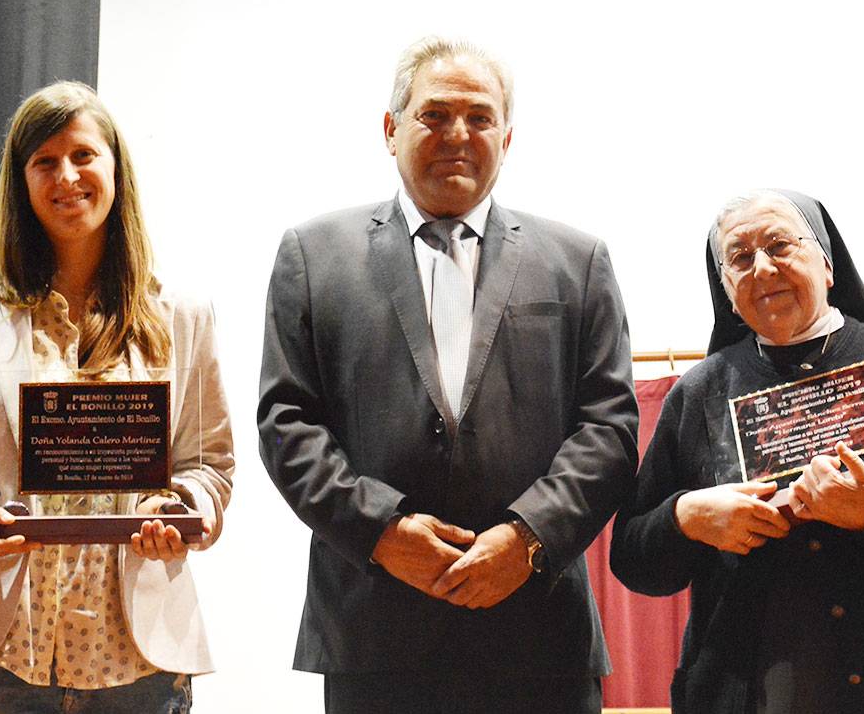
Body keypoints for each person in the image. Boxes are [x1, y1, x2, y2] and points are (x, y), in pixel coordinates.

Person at [256, 36, 639, 713]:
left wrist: (525, 540)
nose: (457, 135)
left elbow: (608, 428)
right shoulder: (313, 257)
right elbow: (287, 424)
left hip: (539, 632)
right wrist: (381, 532)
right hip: (375, 631)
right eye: (434, 115)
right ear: (390, 128)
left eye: (480, 117)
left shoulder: (577, 261)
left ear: (508, 136)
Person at [0, 81, 234, 713]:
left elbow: (209, 464)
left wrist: (182, 507)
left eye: (84, 156)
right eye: (44, 162)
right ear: (20, 182)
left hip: (138, 661)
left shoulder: (182, 311)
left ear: (116, 169)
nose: (67, 176)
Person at [609, 189, 864, 712]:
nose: (763, 269)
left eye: (779, 245)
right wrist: (686, 517)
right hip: (744, 693)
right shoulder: (698, 395)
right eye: (740, 258)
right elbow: (632, 556)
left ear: (828, 264)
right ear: (725, 287)